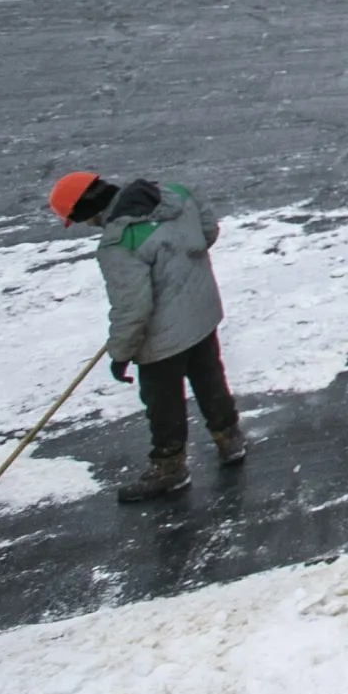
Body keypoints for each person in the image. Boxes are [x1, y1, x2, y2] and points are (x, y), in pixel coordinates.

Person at [48, 171, 245, 502]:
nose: (88, 226)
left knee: (162, 399)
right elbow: (206, 233)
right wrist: (178, 271)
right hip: (201, 309)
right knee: (209, 376)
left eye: (81, 219)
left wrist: (121, 352)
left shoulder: (118, 243)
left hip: (163, 334)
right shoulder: (177, 192)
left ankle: (170, 468)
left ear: (87, 211)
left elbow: (134, 309)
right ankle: (230, 438)